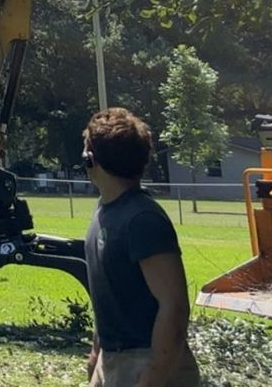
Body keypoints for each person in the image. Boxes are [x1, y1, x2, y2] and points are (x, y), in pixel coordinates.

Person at [82, 107, 201, 386]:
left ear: (90, 159)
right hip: (113, 360)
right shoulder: (106, 211)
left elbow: (174, 306)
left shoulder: (142, 220)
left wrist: (153, 376)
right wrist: (97, 353)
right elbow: (111, 298)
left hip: (148, 362)